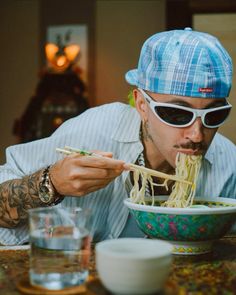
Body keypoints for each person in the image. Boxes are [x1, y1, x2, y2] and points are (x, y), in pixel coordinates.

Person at [0, 28, 235, 245]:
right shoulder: (94, 130)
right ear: (142, 105)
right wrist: (53, 183)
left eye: (214, 115)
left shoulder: (228, 161)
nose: (196, 135)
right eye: (176, 113)